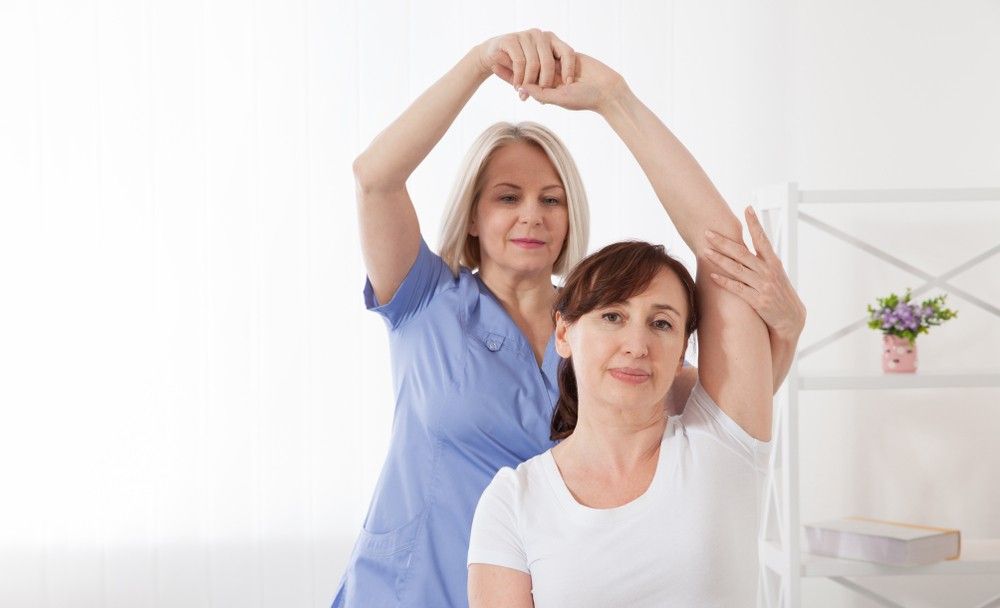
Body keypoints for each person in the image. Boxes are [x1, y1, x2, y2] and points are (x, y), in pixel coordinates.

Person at [337, 29, 805, 607]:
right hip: (411, 591)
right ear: (474, 215)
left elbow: (731, 418)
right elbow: (373, 178)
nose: (532, 215)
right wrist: (482, 62)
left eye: (551, 199)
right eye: (508, 197)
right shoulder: (426, 301)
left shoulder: (598, 328)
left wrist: (784, 332)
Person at [466, 49, 785, 608]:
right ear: (563, 332)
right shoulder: (513, 500)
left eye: (661, 323)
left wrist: (616, 101)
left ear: (684, 345)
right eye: (613, 316)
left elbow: (722, 251)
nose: (637, 344)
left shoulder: (723, 444)